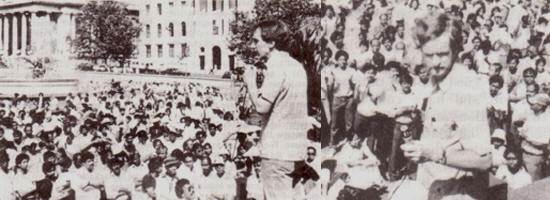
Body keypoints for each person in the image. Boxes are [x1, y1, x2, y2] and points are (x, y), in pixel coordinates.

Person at [401, 10, 493, 200]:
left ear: (456, 49)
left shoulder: (466, 89)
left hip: (458, 192)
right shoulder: (436, 81)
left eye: (443, 54)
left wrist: (435, 155)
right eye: (429, 55)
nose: (435, 63)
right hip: (433, 186)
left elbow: (484, 160)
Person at [242, 20, 310, 199]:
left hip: (276, 153)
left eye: (256, 41)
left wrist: (250, 83)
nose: (253, 45)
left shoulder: (276, 67)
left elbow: (262, 107)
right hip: (296, 152)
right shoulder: (297, 66)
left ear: (271, 43)